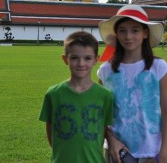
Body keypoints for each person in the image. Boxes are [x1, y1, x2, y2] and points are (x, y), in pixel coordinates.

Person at [97, 5, 167, 163]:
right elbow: (100, 113)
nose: (128, 36)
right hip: (117, 152)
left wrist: (163, 153)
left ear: (145, 33)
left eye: (135, 30)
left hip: (151, 151)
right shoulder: (106, 71)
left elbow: (166, 111)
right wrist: (111, 140)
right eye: (122, 31)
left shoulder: (158, 67)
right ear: (116, 34)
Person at [39, 31, 114, 163]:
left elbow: (103, 131)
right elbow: (51, 132)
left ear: (96, 59)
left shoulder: (105, 96)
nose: (81, 63)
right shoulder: (53, 94)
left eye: (87, 58)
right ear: (65, 59)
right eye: (74, 58)